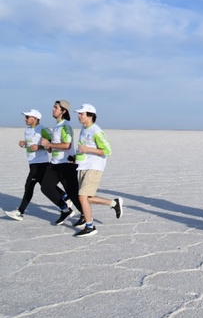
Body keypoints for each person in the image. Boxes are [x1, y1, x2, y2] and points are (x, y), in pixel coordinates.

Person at [4, 109, 69, 222]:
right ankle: (65, 198)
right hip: (32, 163)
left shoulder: (43, 129)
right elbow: (31, 145)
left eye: (27, 117)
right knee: (46, 185)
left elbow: (51, 145)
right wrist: (24, 144)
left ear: (35, 118)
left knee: (29, 186)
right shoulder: (27, 130)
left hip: (41, 163)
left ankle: (20, 212)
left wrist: (39, 147)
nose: (25, 119)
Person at [73, 104, 123, 237]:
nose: (78, 116)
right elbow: (84, 148)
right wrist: (75, 158)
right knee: (86, 198)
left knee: (82, 197)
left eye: (81, 114)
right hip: (83, 166)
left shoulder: (96, 131)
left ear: (90, 115)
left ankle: (90, 226)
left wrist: (87, 150)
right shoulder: (84, 129)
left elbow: (107, 150)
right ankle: (114, 203)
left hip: (94, 167)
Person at [40, 100, 83, 225]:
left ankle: (85, 215)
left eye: (56, 107)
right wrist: (49, 147)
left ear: (63, 111)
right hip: (55, 163)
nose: (53, 109)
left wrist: (49, 144)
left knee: (73, 193)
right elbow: (56, 145)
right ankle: (65, 210)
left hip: (66, 164)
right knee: (46, 187)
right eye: (53, 107)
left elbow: (67, 145)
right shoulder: (57, 126)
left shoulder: (65, 126)